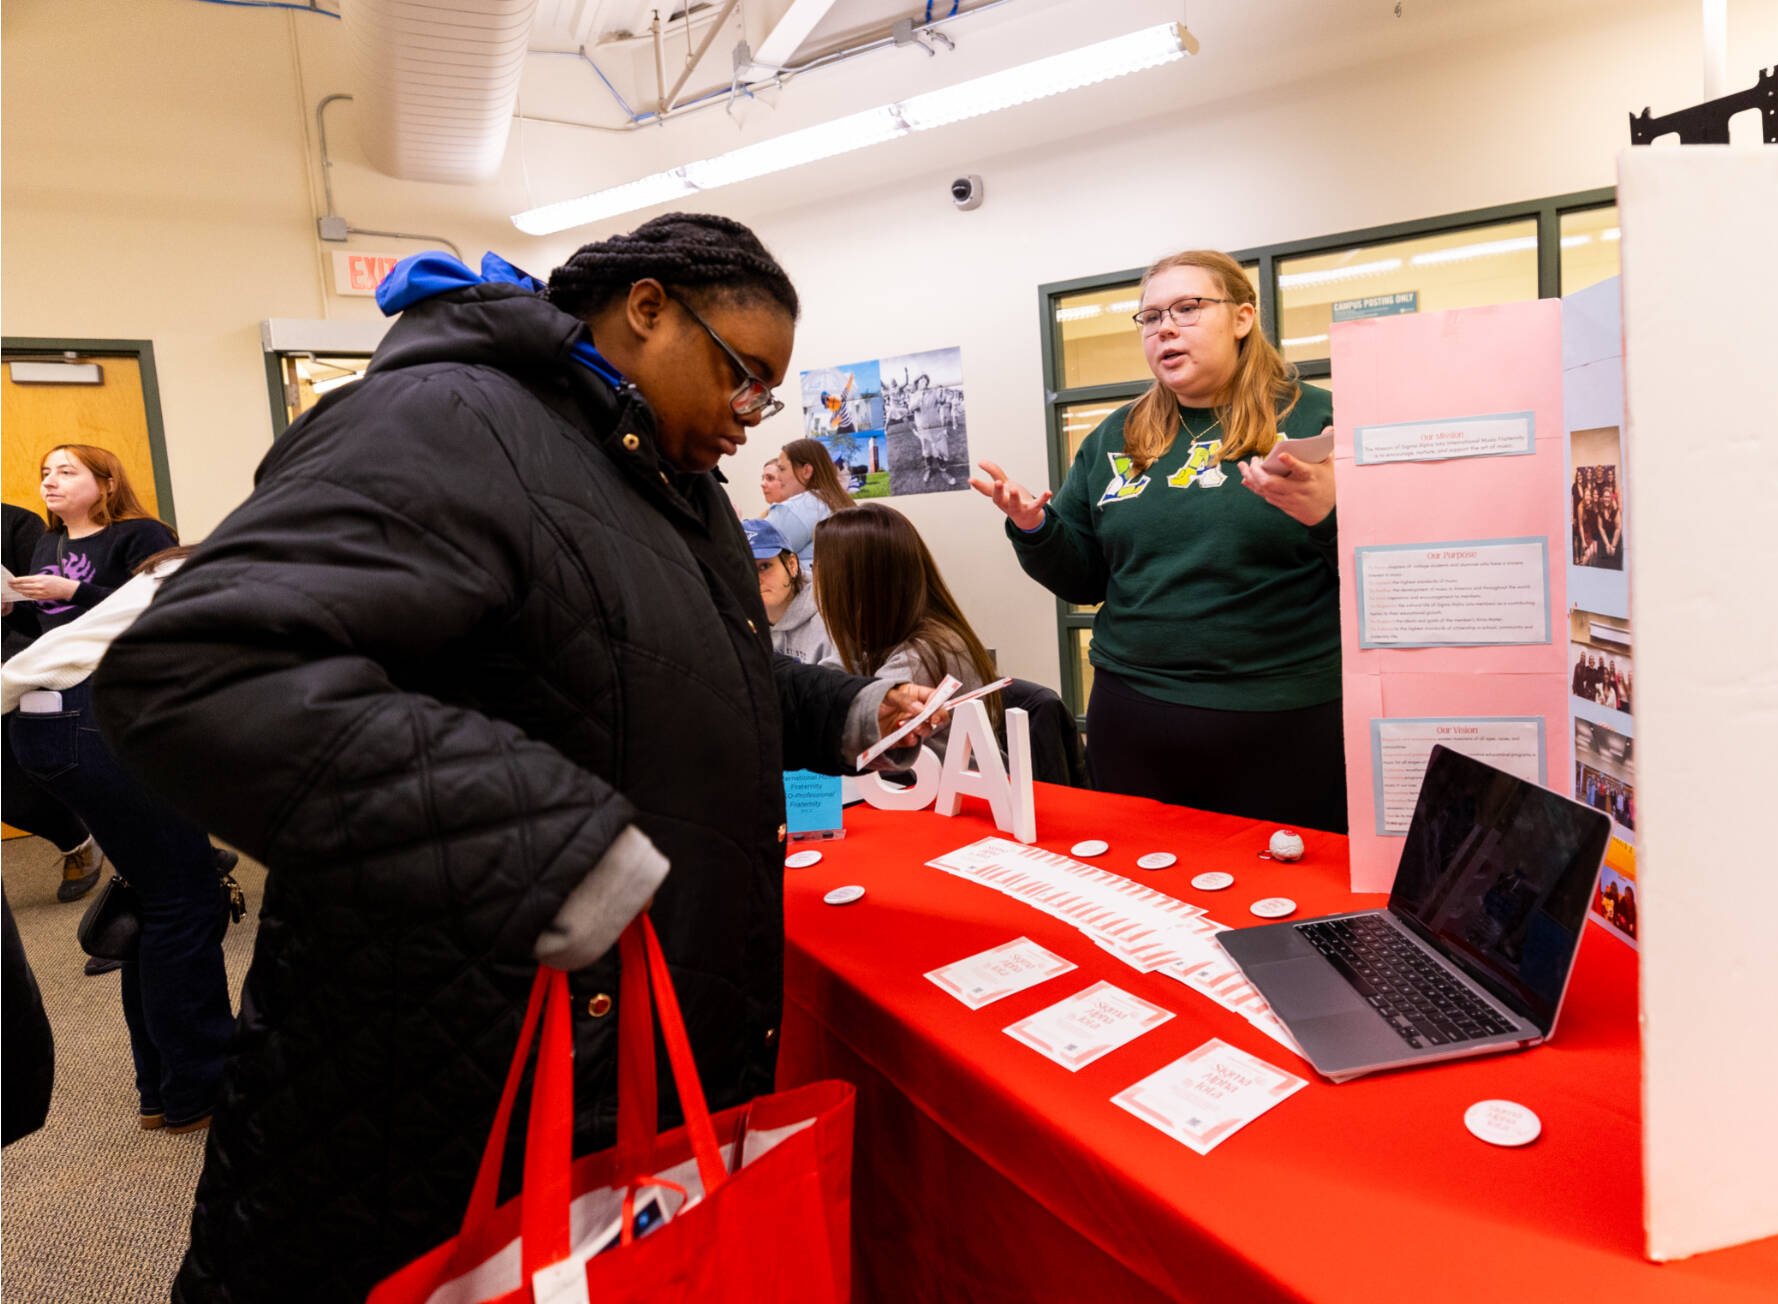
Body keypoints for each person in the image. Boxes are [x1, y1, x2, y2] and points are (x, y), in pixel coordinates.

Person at [92, 215, 935, 1303]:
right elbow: (202, 668)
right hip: (455, 1056)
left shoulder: (667, 481)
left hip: (606, 1049)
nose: (747, 414)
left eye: (765, 396)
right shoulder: (445, 419)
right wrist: (544, 848)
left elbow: (676, 669)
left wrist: (852, 708)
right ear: (644, 308)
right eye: (740, 375)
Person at [972, 248, 1346, 831]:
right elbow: (1087, 579)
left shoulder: (1321, 420)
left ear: (1243, 317)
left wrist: (1328, 514)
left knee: (1283, 907)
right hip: (1134, 717)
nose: (1165, 327)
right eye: (1150, 317)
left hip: (1285, 719)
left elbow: (1389, 578)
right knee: (1143, 899)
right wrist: (1035, 528)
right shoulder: (1113, 436)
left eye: (1189, 308)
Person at [4, 546, 235, 1134]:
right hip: (96, 716)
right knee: (185, 901)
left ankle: (163, 1089)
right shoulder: (239, 570)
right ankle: (201, 1090)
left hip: (58, 722)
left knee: (159, 897)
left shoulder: (189, 566)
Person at [9, 449, 177, 903]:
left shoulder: (141, 533)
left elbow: (162, 605)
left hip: (128, 681)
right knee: (112, 804)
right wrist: (14, 605)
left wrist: (75, 589)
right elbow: (54, 623)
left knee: (140, 798)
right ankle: (145, 906)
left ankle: (166, 900)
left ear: (106, 484)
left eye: (66, 472)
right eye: (45, 473)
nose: (50, 482)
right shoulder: (48, 541)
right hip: (68, 687)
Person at [815, 502, 1001, 754]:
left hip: (941, 790)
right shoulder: (875, 635)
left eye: (818, 570)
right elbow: (827, 690)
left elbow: (843, 731)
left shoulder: (924, 654)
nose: (813, 579)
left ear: (855, 582)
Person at [2, 501, 99, 901]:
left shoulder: (16, 523)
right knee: (8, 797)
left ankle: (94, 840)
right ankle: (79, 839)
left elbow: (56, 602)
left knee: (65, 770)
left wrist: (13, 603)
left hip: (23, 659)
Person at [744, 517, 837, 665]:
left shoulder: (831, 619)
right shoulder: (738, 621)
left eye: (764, 566)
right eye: (745, 569)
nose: (755, 579)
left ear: (792, 564)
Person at [762, 437, 856, 567]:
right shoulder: (838, 500)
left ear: (806, 471)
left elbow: (753, 548)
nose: (778, 477)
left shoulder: (799, 507)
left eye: (782, 469)